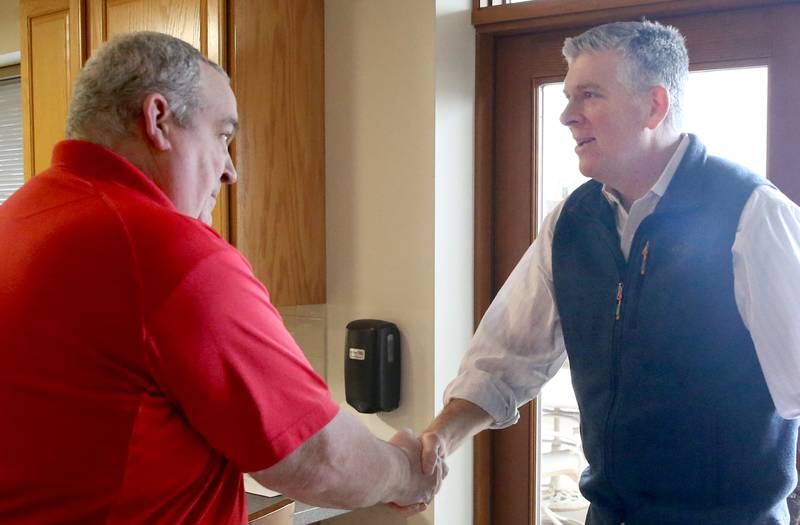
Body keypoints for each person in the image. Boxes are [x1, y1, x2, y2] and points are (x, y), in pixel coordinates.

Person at [0, 32, 441, 524]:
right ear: (158, 120)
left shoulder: (18, 219)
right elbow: (317, 458)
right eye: (222, 135)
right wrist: (408, 471)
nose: (230, 170)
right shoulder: (167, 252)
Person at [417, 20, 800, 525]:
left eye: (589, 96)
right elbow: (501, 363)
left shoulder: (750, 214)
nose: (567, 116)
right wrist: (438, 439)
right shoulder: (571, 223)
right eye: (568, 95)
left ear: (654, 106)